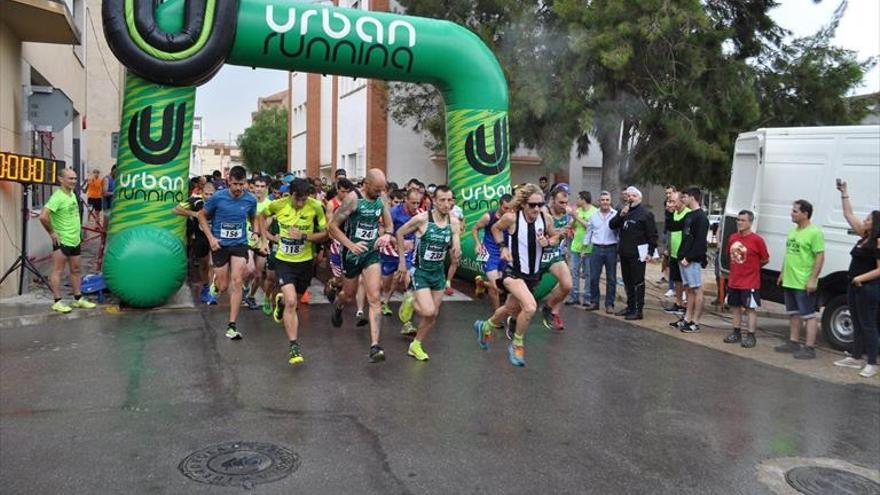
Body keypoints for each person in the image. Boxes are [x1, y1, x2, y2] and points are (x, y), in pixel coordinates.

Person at [472, 183, 559, 367]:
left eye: (540, 204)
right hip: (513, 272)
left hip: (532, 275)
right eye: (532, 205)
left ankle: (485, 326)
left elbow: (555, 237)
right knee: (529, 307)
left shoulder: (546, 218)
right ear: (523, 204)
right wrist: (503, 246)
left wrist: (548, 242)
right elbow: (495, 228)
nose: (537, 208)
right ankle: (517, 344)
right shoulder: (512, 218)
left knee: (510, 309)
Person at [328, 168, 395, 363]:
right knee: (348, 295)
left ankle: (375, 346)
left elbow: (389, 225)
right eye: (376, 189)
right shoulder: (353, 198)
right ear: (366, 184)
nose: (379, 193)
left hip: (371, 253)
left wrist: (386, 235)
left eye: (382, 189)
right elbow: (332, 226)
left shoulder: (382, 199)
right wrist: (350, 245)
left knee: (374, 297)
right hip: (351, 253)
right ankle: (338, 305)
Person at [260, 178, 327, 366]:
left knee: (293, 301)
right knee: (292, 302)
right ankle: (294, 346)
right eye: (298, 199)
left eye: (304, 199)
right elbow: (261, 217)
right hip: (284, 261)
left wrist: (305, 236)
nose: (301, 203)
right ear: (291, 194)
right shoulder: (277, 205)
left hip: (305, 262)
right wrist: (268, 237)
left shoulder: (315, 206)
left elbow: (325, 232)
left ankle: (280, 302)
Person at [394, 185, 461, 361]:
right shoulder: (422, 219)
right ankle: (411, 300)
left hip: (438, 272)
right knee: (429, 311)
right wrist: (402, 262)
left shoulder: (453, 221)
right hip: (420, 271)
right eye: (442, 200)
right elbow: (400, 233)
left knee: (433, 315)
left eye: (450, 200)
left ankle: (415, 345)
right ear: (433, 201)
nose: (447, 204)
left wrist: (457, 251)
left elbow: (456, 241)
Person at [198, 165, 257, 340]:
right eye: (235, 184)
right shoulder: (217, 198)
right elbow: (201, 215)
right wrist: (211, 239)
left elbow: (253, 216)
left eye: (242, 184)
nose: (239, 188)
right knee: (223, 286)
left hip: (239, 244)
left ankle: (232, 325)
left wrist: (254, 232)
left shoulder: (250, 200)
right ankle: (216, 285)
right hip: (220, 245)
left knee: (237, 281)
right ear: (228, 181)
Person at [832, 180, 880, 378]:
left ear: (875, 223)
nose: (864, 220)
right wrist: (844, 192)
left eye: (868, 219)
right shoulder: (864, 236)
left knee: (868, 323)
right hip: (855, 285)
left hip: (868, 287)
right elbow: (848, 214)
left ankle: (872, 362)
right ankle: (856, 356)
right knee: (857, 322)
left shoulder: (877, 241)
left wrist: (861, 278)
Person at [39, 168, 97, 313]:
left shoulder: (71, 194)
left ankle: (78, 299)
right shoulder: (57, 197)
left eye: (75, 178)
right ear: (61, 179)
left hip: (74, 240)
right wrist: (52, 233)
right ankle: (57, 302)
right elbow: (43, 216)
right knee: (58, 270)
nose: (73, 181)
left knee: (76, 270)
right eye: (70, 178)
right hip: (62, 240)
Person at [773, 199, 825, 359]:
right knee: (793, 313)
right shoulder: (793, 231)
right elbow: (788, 253)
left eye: (795, 211)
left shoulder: (814, 232)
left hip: (803, 281)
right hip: (790, 279)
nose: (791, 213)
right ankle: (793, 342)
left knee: (808, 315)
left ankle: (809, 347)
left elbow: (820, 256)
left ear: (805, 214)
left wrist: (812, 279)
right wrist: (782, 272)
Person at [722, 210, 769, 348]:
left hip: (750, 282)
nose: (739, 222)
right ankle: (736, 332)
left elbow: (765, 259)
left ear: (750, 222)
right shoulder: (732, 238)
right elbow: (729, 255)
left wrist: (753, 267)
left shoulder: (757, 240)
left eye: (743, 220)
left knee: (750, 308)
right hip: (734, 280)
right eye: (738, 220)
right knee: (735, 307)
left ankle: (751, 335)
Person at [609, 186, 657, 320]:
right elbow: (612, 225)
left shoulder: (646, 214)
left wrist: (651, 252)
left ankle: (638, 309)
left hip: (638, 253)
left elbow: (652, 235)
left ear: (639, 198)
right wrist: (620, 215)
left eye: (634, 196)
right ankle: (630, 306)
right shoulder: (624, 211)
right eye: (629, 196)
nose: (630, 198)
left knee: (638, 281)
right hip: (624, 252)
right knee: (627, 281)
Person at [379, 188, 422, 335]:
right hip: (391, 249)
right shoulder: (394, 212)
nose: (416, 206)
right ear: (406, 200)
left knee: (408, 279)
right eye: (413, 203)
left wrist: (413, 242)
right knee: (388, 282)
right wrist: (398, 240)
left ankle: (407, 322)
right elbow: (382, 230)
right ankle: (385, 301)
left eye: (418, 202)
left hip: (409, 252)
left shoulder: (420, 214)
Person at [173, 180, 216, 304]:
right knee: (204, 265)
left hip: (214, 236)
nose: (209, 197)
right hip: (200, 237)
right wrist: (194, 214)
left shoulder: (218, 201)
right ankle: (206, 287)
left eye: (211, 194)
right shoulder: (195, 201)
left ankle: (212, 292)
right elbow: (176, 209)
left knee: (212, 264)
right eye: (207, 194)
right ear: (201, 193)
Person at [537, 187, 574, 330]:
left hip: (554, 255)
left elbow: (564, 232)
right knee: (520, 296)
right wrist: (556, 235)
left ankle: (548, 307)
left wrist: (564, 234)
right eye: (561, 203)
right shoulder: (543, 213)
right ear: (552, 200)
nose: (564, 205)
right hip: (537, 256)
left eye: (566, 202)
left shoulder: (568, 213)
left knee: (567, 285)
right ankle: (506, 317)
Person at [676, 186, 710, 333]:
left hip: (692, 259)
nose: (683, 200)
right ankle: (687, 318)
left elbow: (700, 241)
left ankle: (695, 321)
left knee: (697, 289)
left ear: (692, 197)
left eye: (685, 197)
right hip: (683, 257)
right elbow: (677, 228)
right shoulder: (689, 215)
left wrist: (689, 258)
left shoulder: (701, 217)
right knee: (689, 289)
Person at [472, 194, 513, 311]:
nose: (508, 211)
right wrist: (477, 244)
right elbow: (475, 229)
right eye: (505, 208)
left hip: (504, 254)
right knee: (495, 287)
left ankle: (481, 283)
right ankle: (496, 315)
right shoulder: (488, 217)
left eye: (510, 209)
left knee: (502, 287)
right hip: (489, 254)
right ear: (499, 205)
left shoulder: (512, 217)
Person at [585, 191, 618, 313]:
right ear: (599, 201)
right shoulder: (594, 216)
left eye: (607, 200)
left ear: (610, 201)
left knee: (611, 278)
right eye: (602, 200)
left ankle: (610, 304)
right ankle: (594, 302)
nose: (605, 202)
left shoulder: (616, 215)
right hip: (596, 249)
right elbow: (589, 232)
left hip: (611, 249)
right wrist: (585, 247)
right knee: (594, 277)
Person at [244, 176, 271, 310]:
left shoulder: (270, 204)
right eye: (257, 186)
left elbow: (267, 225)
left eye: (262, 186)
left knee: (259, 274)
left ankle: (251, 296)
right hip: (247, 239)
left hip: (261, 241)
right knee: (250, 269)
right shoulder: (246, 200)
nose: (259, 189)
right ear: (252, 187)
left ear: (266, 188)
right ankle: (244, 287)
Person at [567, 191, 596, 307]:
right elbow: (572, 225)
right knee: (574, 272)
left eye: (578, 198)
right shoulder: (577, 211)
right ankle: (574, 296)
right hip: (576, 246)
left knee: (588, 273)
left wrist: (577, 217)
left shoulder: (594, 211)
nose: (576, 200)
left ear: (584, 199)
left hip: (589, 247)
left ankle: (587, 297)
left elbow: (590, 226)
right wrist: (572, 219)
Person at [664, 193, 690, 317]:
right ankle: (678, 303)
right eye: (669, 202)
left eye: (673, 201)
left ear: (681, 201)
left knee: (687, 281)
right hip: (674, 252)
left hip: (684, 253)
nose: (671, 204)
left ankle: (687, 305)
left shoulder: (688, 213)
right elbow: (670, 231)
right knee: (677, 280)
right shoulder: (673, 213)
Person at [444, 195, 465, 296]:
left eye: (452, 200)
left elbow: (462, 219)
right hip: (442, 236)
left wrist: (461, 227)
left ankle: (448, 282)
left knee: (455, 259)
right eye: (449, 199)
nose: (451, 202)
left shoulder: (458, 210)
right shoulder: (442, 209)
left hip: (454, 238)